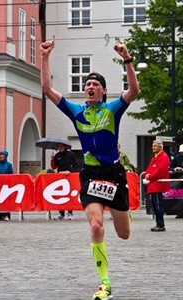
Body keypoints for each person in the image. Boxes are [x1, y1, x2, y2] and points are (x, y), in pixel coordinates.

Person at [40, 39, 139, 300]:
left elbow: (134, 90)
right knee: (96, 227)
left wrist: (127, 58)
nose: (90, 88)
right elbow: (47, 89)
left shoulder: (112, 110)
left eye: (95, 85)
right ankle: (105, 283)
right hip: (91, 175)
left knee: (124, 234)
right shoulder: (77, 112)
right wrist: (45, 56)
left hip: (114, 174)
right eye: (87, 85)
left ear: (104, 91)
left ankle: (124, 214)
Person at [143, 139, 170, 232]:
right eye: (152, 146)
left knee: (158, 205)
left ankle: (161, 224)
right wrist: (146, 174)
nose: (152, 148)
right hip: (154, 185)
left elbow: (160, 171)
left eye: (154, 146)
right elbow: (150, 168)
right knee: (155, 205)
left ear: (160, 146)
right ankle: (159, 223)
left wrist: (148, 176)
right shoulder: (155, 157)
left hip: (158, 186)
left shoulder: (163, 157)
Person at [51, 143, 78, 220]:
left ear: (65, 146)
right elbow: (54, 166)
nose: (60, 147)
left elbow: (76, 165)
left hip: (68, 176)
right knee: (60, 194)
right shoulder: (57, 156)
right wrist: (52, 159)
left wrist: (70, 171)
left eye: (61, 146)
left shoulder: (70, 154)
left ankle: (70, 212)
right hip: (60, 176)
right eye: (58, 146)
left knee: (69, 194)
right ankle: (61, 213)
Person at [0, 150, 13, 221]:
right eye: (0, 155)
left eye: (3, 156)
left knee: (5, 200)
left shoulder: (9, 165)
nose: (1, 157)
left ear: (5, 157)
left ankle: (6, 215)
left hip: (5, 186)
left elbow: (11, 175)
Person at [170, 144, 183, 218]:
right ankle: (179, 212)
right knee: (179, 197)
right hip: (178, 180)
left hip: (179, 180)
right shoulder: (177, 158)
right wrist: (174, 169)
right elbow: (171, 167)